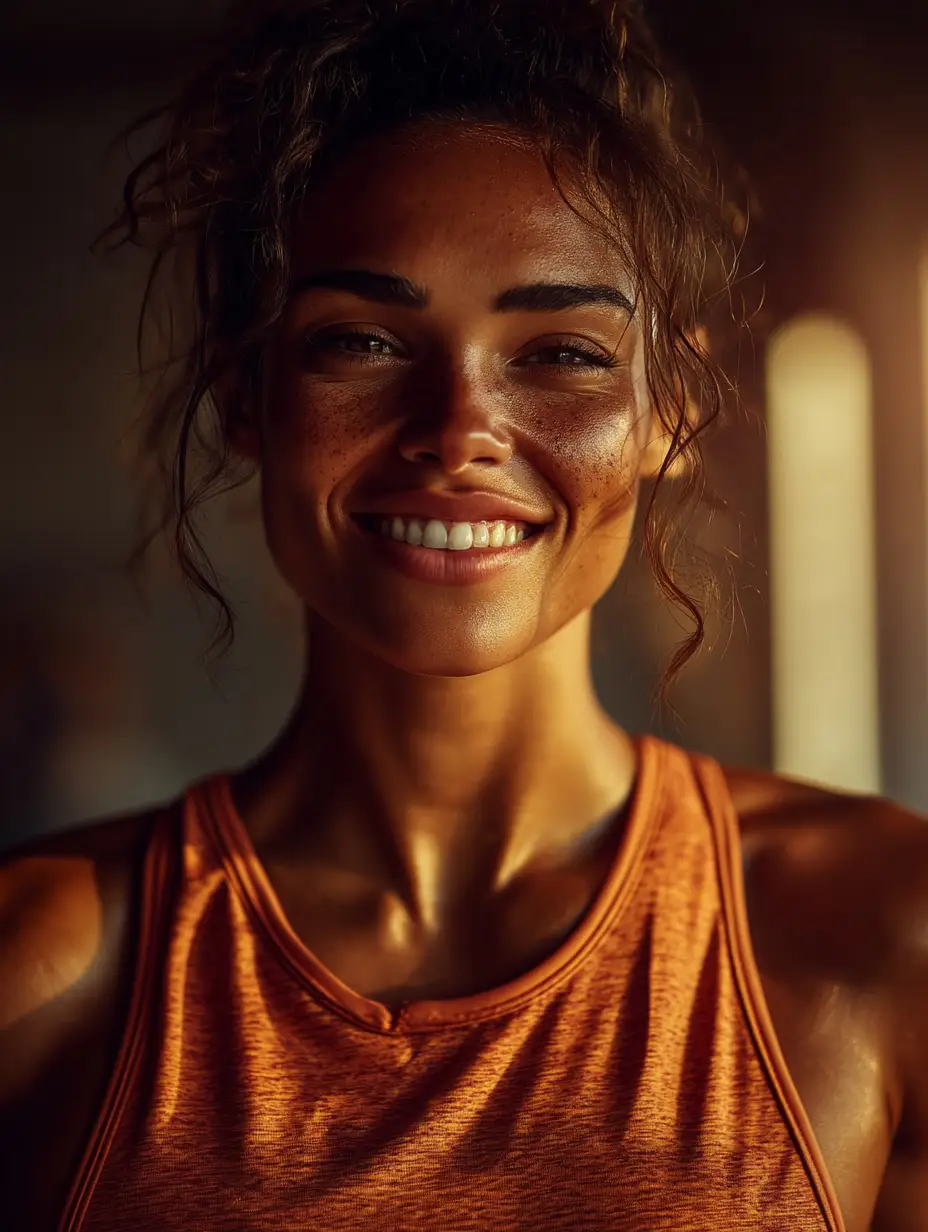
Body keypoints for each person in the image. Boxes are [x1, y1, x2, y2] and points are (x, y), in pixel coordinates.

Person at [1, 1, 926, 1229]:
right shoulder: (47, 969)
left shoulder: (879, 931)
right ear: (245, 391)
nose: (456, 429)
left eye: (561, 354)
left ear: (672, 415)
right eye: (365, 340)